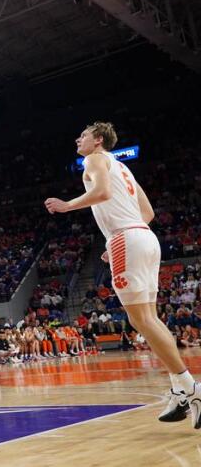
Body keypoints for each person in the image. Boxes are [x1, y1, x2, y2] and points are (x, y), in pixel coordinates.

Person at [45, 121, 200, 428]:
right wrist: (123, 235)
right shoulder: (123, 168)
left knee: (140, 320)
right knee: (149, 319)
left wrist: (67, 206)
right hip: (143, 237)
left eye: (83, 135)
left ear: (98, 140)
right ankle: (180, 390)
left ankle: (191, 388)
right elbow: (149, 214)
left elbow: (101, 192)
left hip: (127, 239)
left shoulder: (94, 159)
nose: (78, 139)